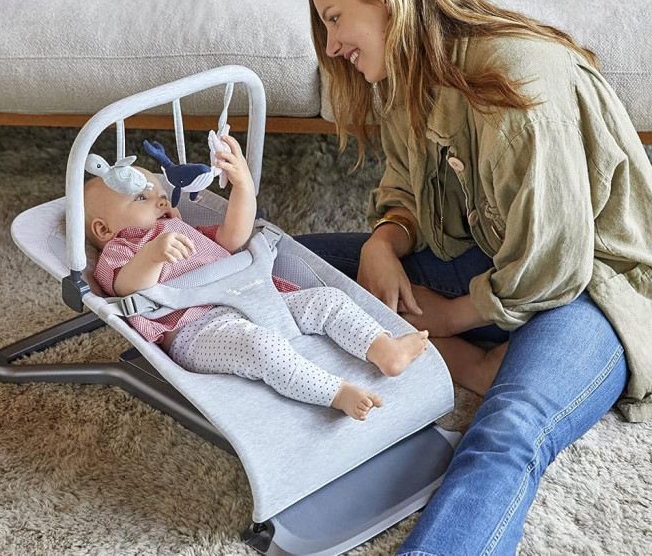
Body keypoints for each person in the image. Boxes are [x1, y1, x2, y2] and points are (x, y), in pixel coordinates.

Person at [297, 0, 652, 554]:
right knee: (288, 263)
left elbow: (556, 265)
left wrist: (450, 315)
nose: (331, 46)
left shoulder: (515, 86)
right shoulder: (410, 76)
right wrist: (382, 242)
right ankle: (477, 362)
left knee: (509, 430)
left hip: (595, 289)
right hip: (493, 258)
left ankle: (481, 359)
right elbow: (406, 189)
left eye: (335, 19)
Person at [83, 133, 430, 420]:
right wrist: (152, 255)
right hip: (197, 330)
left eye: (161, 193)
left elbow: (233, 237)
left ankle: (383, 349)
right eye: (141, 197)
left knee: (328, 299)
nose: (160, 201)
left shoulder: (186, 230)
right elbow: (128, 287)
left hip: (258, 296)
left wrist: (243, 187)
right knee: (261, 347)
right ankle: (335, 392)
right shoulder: (123, 248)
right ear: (104, 229)